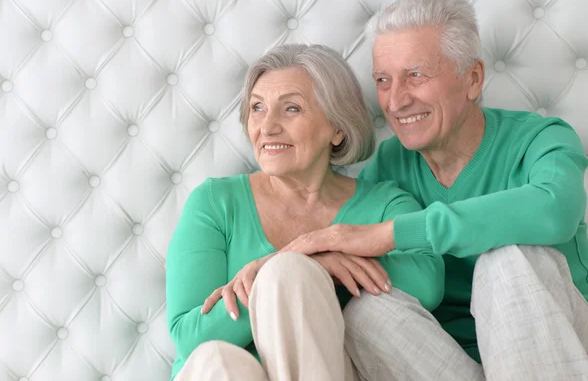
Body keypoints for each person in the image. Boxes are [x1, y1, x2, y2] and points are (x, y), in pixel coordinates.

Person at [280, 0, 588, 381]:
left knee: (507, 261)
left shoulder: (541, 139)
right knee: (367, 311)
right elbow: (355, 264)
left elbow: (555, 212)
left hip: (565, 351)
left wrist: (392, 234)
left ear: (473, 78)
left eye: (416, 75)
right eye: (383, 80)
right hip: (448, 365)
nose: (396, 100)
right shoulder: (387, 166)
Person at [165, 43, 445, 381]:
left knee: (290, 273)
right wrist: (295, 260)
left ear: (337, 127)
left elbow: (427, 284)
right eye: (257, 108)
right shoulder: (214, 202)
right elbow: (190, 336)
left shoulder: (384, 204)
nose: (267, 128)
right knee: (218, 360)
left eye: (291, 109)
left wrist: (308, 260)